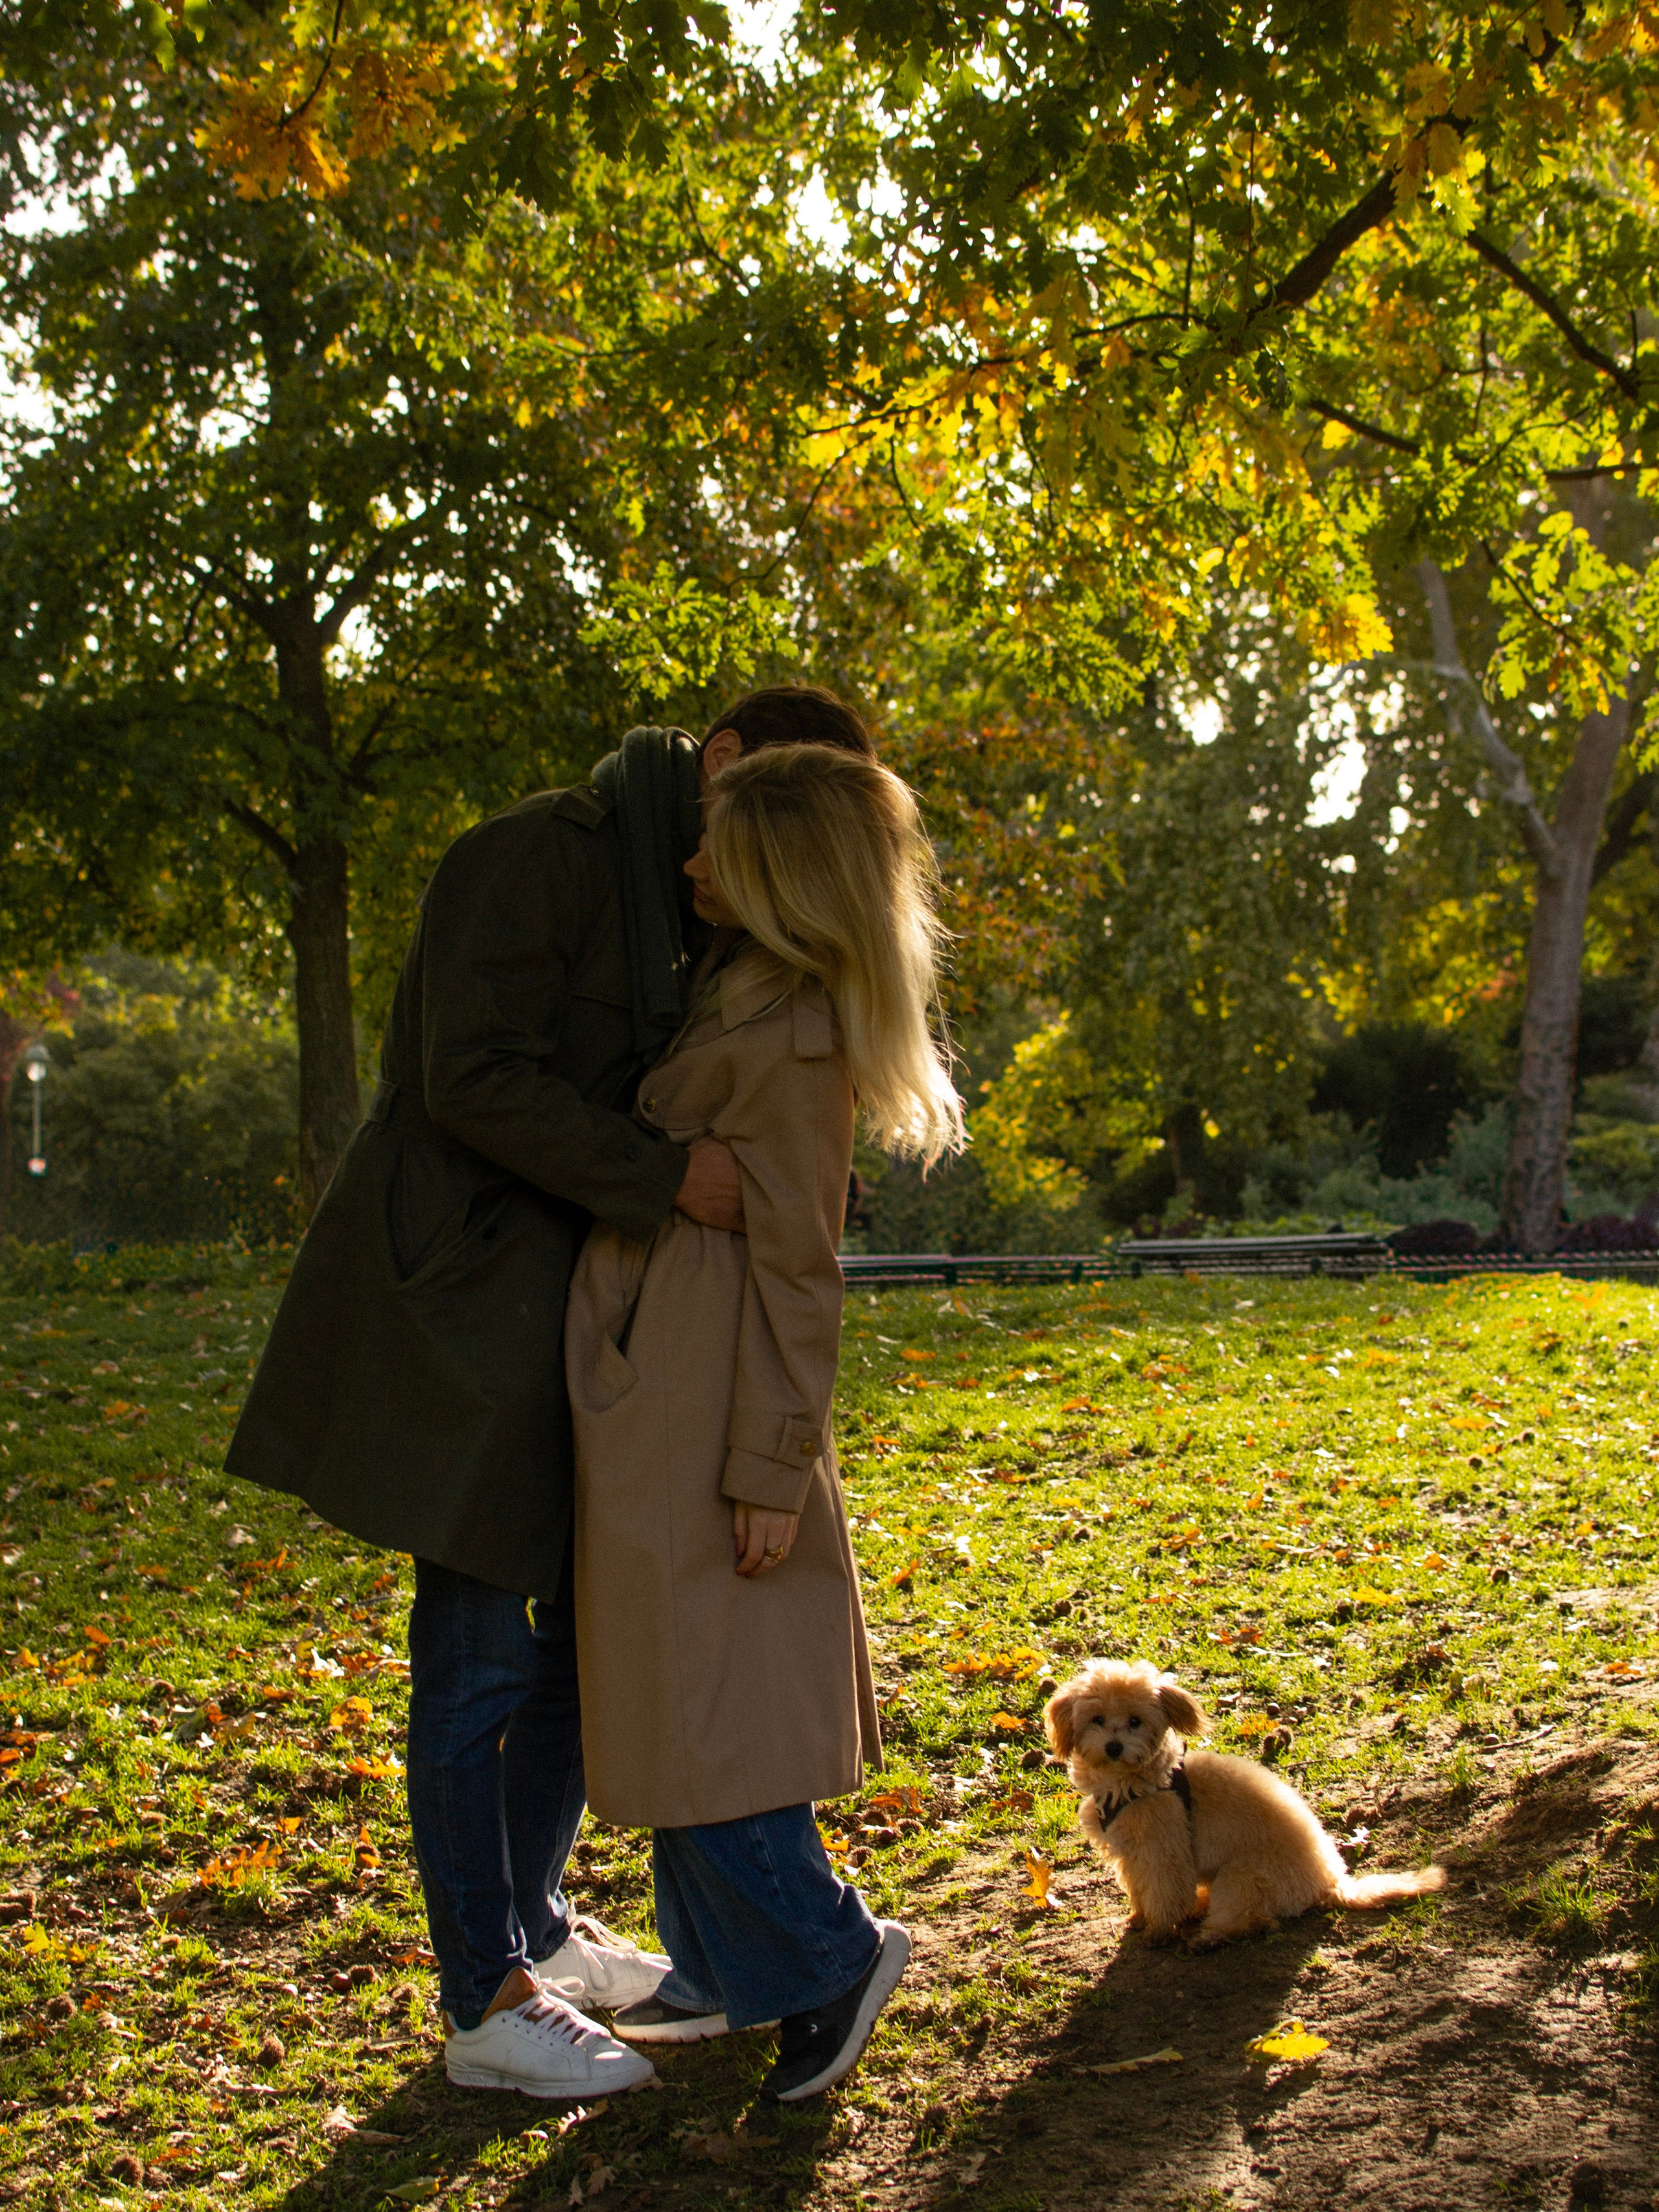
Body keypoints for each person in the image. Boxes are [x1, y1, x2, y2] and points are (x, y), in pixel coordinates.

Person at [226, 687, 879, 2099]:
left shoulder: (707, 903)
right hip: (463, 1311)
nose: (739, 855)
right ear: (719, 762)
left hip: (598, 1332)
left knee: (593, 1646)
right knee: (474, 1657)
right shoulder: (531, 856)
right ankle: (487, 1994)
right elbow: (465, 1077)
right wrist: (669, 1176)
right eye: (760, 810)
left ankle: (534, 1924)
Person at [564, 742, 965, 2102]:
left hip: (708, 1389)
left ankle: (826, 1953)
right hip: (665, 1372)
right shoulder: (739, 983)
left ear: (783, 878)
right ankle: (718, 1962)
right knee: (678, 1688)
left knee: (704, 1703)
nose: (689, 864)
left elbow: (803, 1271)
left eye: (720, 848)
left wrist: (770, 1467)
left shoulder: (794, 1040)